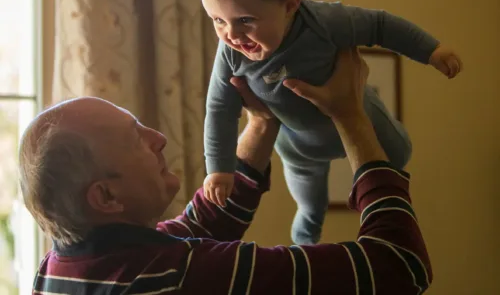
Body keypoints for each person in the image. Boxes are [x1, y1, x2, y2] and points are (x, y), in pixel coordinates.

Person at [22, 48, 432, 294]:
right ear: (106, 197)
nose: (158, 138)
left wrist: (261, 123)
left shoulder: (61, 268)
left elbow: (204, 223)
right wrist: (352, 117)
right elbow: (398, 267)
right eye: (136, 138)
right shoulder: (180, 276)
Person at [201, 0, 463, 245]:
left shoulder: (325, 23)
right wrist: (219, 169)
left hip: (359, 114)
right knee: (310, 205)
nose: (232, 35)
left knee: (399, 154)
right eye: (217, 20)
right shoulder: (230, 53)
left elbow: (380, 25)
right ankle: (305, 245)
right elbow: (219, 109)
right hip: (299, 146)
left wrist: (431, 50)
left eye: (245, 20)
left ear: (290, 6)